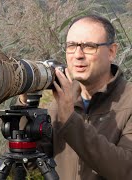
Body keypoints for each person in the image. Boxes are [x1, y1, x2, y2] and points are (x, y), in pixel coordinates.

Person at [18, 14, 132, 179]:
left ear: (112, 51)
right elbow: (31, 164)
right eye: (71, 46)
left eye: (88, 46)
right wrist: (26, 107)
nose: (78, 55)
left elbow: (125, 170)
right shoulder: (58, 101)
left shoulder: (128, 101)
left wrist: (69, 119)